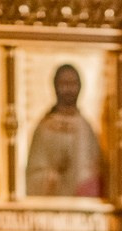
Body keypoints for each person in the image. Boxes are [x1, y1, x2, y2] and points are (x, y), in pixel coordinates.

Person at [24, 63, 103, 198]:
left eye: (73, 84)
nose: (69, 90)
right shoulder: (45, 128)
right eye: (64, 84)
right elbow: (33, 174)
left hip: (82, 204)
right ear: (55, 87)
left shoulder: (85, 127)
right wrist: (52, 175)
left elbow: (96, 170)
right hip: (52, 204)